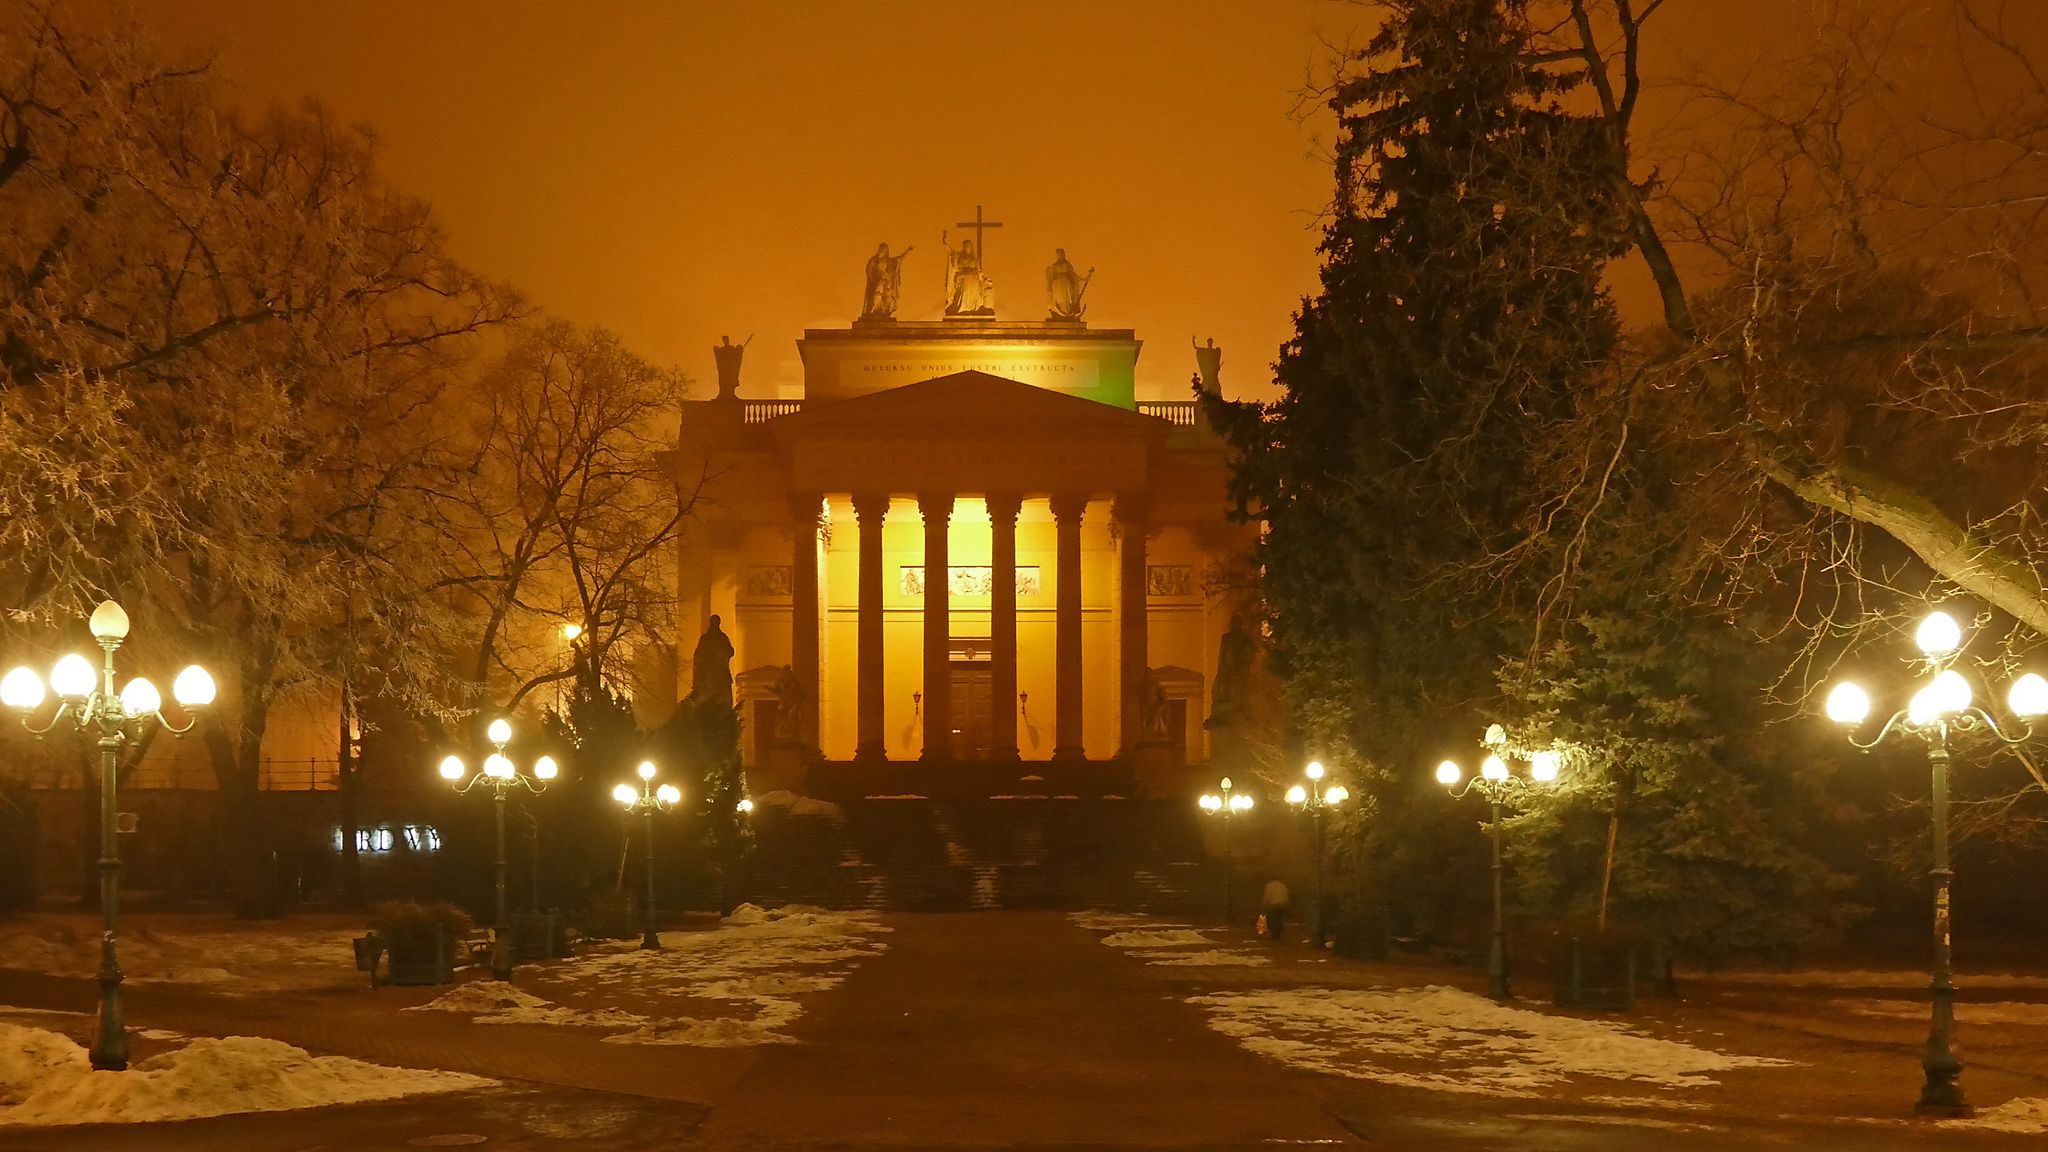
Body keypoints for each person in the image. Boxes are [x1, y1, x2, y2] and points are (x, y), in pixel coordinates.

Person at [690, 615, 735, 708]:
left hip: (721, 673)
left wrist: (720, 653)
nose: (715, 625)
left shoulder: (722, 638)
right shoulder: (705, 639)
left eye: (716, 623)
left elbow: (730, 652)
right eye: (714, 622)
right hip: (708, 674)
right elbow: (698, 656)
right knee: (709, 696)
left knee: (722, 698)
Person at [861, 242, 912, 320]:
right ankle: (873, 312)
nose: (882, 250)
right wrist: (873, 278)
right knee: (876, 296)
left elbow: (899, 259)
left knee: (887, 297)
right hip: (876, 282)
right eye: (881, 248)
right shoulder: (874, 260)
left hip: (886, 282)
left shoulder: (889, 261)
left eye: (884, 249)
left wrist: (907, 251)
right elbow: (869, 271)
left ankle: (884, 312)